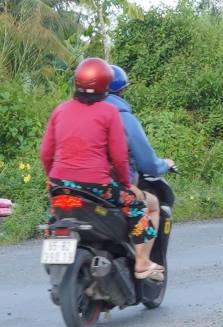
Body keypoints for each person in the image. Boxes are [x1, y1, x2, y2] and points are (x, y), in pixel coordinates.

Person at [40, 58, 163, 279]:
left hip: (59, 184)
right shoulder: (109, 112)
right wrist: (126, 185)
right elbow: (118, 158)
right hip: (97, 187)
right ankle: (142, 262)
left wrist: (54, 178)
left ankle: (53, 240)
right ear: (106, 85)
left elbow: (46, 153)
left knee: (56, 214)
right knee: (137, 205)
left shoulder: (60, 110)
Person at [104, 64, 174, 253]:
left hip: (65, 186)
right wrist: (164, 165)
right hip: (106, 185)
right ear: (121, 91)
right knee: (149, 205)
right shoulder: (122, 118)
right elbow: (143, 162)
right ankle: (143, 261)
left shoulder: (74, 114)